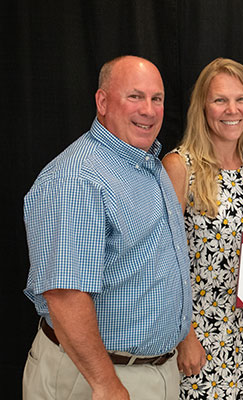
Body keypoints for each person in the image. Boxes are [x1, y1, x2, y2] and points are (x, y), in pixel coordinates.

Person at [22, 55, 193, 400]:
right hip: (93, 378)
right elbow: (65, 295)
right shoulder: (77, 179)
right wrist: (105, 383)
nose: (148, 109)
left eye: (156, 99)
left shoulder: (148, 164)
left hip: (154, 371)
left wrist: (182, 336)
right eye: (135, 96)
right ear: (102, 102)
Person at [162, 57, 243, 400]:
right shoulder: (180, 166)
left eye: (241, 99)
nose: (231, 109)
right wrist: (185, 336)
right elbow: (165, 261)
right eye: (220, 99)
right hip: (200, 330)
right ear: (202, 106)